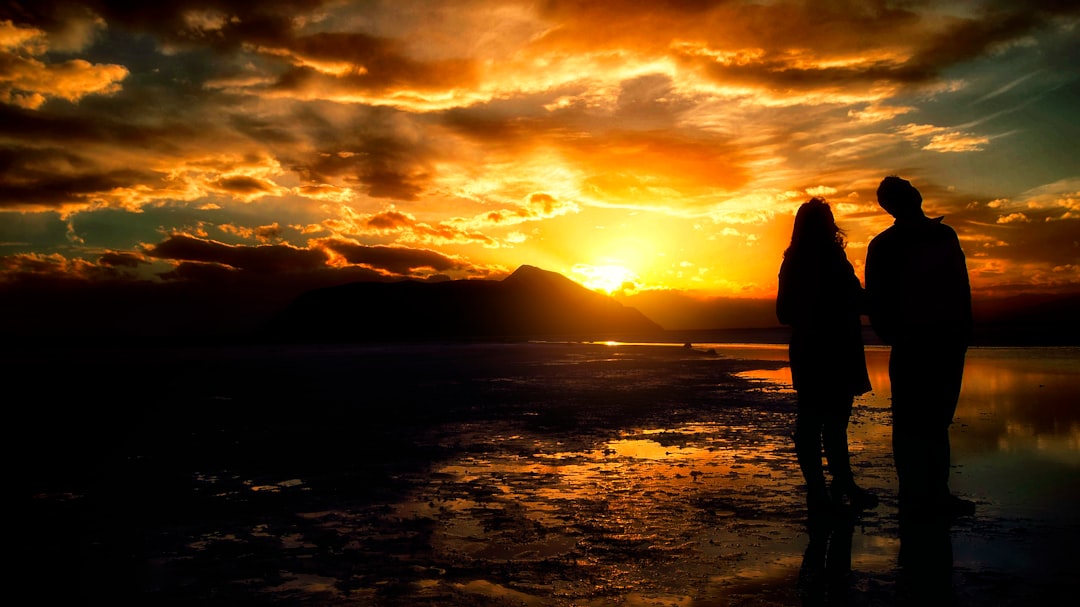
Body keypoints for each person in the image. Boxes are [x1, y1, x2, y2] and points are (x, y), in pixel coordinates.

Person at [864, 176, 975, 521]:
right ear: (896, 203)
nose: (911, 192)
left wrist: (961, 333)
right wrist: (896, 336)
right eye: (903, 191)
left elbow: (961, 288)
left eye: (908, 188)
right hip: (916, 343)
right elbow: (877, 302)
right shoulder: (885, 245)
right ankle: (915, 495)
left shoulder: (944, 235)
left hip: (945, 341)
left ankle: (935, 492)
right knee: (914, 423)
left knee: (935, 420)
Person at [777, 197, 878, 522]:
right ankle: (822, 492)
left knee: (831, 423)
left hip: (831, 347)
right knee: (818, 423)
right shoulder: (801, 261)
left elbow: (858, 299)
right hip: (823, 348)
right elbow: (784, 312)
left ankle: (839, 486)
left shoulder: (830, 259)